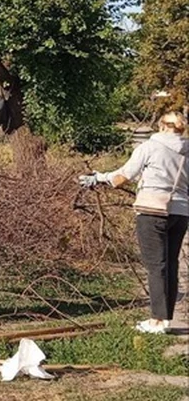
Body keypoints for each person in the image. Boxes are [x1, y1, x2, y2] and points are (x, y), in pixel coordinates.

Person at [79, 111, 188, 334]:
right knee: (171, 263)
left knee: (155, 265)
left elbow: (122, 177)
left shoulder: (150, 147)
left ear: (161, 126)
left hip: (152, 210)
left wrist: (99, 177)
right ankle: (166, 318)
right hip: (180, 212)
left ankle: (157, 321)